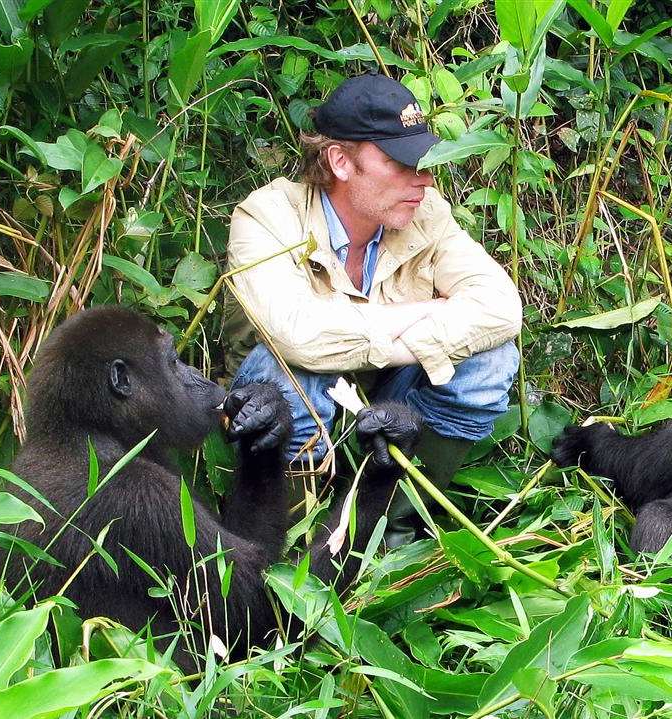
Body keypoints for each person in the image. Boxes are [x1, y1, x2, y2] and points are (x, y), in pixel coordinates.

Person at [222, 72, 521, 545]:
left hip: (390, 403)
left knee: (492, 360)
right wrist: (420, 318)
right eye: (401, 164)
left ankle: (390, 527)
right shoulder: (268, 214)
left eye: (423, 162)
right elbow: (300, 340)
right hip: (282, 409)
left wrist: (370, 337)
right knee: (292, 379)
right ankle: (294, 538)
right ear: (341, 161)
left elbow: (502, 309)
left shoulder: (427, 213)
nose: (423, 180)